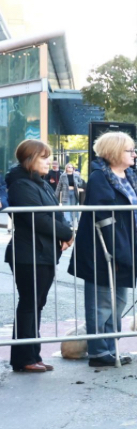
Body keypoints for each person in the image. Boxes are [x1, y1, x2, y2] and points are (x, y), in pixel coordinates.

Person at [69, 131, 137, 369]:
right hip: (103, 251)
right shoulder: (99, 177)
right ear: (115, 152)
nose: (135, 154)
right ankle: (99, 351)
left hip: (128, 248)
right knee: (101, 302)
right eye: (130, 150)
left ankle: (111, 348)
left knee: (117, 303)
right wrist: (120, 252)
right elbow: (105, 218)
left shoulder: (131, 175)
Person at [6, 139, 72, 373]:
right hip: (28, 253)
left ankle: (32, 354)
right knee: (30, 304)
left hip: (42, 251)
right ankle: (24, 357)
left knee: (36, 304)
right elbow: (39, 219)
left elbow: (56, 213)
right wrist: (67, 232)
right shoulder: (21, 185)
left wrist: (65, 233)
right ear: (30, 159)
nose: (49, 162)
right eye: (43, 158)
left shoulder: (39, 183)